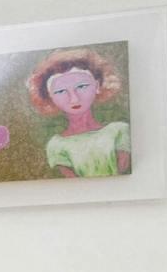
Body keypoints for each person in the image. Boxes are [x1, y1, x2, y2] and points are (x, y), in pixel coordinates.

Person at [28, 48, 131, 177]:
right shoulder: (57, 145)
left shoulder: (119, 131)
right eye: (61, 91)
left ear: (97, 86)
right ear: (50, 97)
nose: (74, 99)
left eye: (82, 87)